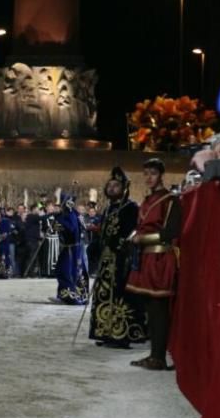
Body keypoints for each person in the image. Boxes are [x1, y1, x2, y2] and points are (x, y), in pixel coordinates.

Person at [125, 158, 181, 370]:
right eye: (146, 173)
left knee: (158, 309)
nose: (149, 177)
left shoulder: (171, 200)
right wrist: (133, 237)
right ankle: (154, 355)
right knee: (150, 308)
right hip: (146, 258)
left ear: (161, 175)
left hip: (160, 259)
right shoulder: (147, 201)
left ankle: (158, 357)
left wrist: (143, 239)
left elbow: (171, 232)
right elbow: (142, 227)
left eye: (153, 173)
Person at [89, 167, 147, 349]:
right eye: (110, 185)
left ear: (124, 188)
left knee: (120, 294)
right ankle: (105, 331)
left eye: (116, 185)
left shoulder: (130, 207)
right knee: (104, 294)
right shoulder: (108, 209)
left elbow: (132, 231)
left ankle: (120, 335)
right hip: (106, 259)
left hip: (121, 259)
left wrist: (120, 246)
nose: (112, 188)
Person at [51, 194, 89, 305]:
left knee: (67, 271)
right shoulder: (71, 214)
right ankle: (64, 294)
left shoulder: (71, 214)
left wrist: (59, 220)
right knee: (62, 269)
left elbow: (71, 228)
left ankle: (71, 295)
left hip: (72, 249)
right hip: (70, 248)